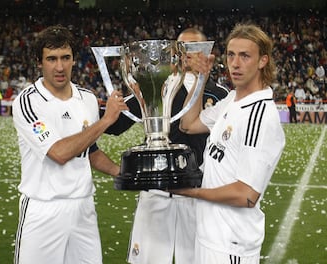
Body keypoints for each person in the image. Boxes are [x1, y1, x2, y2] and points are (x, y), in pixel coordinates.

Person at [104, 28, 229, 264]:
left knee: (195, 259)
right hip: (156, 190)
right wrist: (109, 110)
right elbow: (115, 124)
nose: (187, 55)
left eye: (193, 48)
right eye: (182, 49)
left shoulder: (220, 94)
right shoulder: (157, 82)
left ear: (206, 52)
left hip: (196, 191)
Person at [12, 25, 128, 264]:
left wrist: (123, 172)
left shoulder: (87, 99)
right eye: (51, 59)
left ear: (74, 59)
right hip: (43, 211)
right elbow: (59, 152)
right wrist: (106, 120)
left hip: (83, 208)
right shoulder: (28, 102)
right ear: (39, 62)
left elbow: (90, 151)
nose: (59, 66)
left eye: (66, 58)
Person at [175, 23, 285, 263]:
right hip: (209, 235)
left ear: (263, 61)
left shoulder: (260, 115)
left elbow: (246, 195)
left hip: (230, 243)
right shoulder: (231, 100)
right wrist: (201, 79)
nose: (235, 63)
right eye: (231, 55)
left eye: (245, 56)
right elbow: (188, 125)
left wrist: (189, 192)